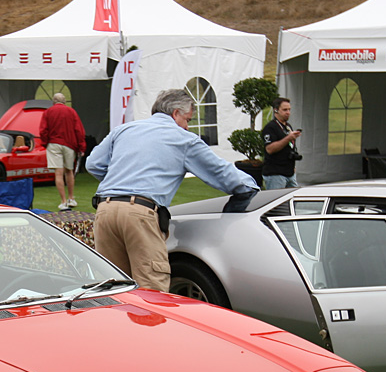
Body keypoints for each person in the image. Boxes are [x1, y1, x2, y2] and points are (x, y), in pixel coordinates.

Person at [86, 88, 258, 292]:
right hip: (140, 213)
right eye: (188, 120)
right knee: (152, 290)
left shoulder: (125, 129)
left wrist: (121, 181)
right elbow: (223, 174)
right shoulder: (183, 139)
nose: (187, 127)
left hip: (105, 210)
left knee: (112, 289)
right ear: (176, 113)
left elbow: (93, 164)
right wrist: (251, 185)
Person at [39, 92, 86, 210]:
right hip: (69, 144)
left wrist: (45, 143)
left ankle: (63, 201)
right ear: (64, 101)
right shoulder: (72, 112)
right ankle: (71, 198)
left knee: (58, 173)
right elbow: (79, 130)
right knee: (69, 171)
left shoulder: (48, 112)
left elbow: (43, 130)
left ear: (54, 102)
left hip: (54, 144)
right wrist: (81, 147)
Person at [262, 97, 302, 189]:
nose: (288, 112)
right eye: (284, 110)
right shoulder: (270, 127)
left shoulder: (288, 126)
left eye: (289, 110)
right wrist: (288, 138)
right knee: (277, 201)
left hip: (289, 172)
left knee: (294, 198)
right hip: (275, 173)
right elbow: (270, 149)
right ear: (276, 110)